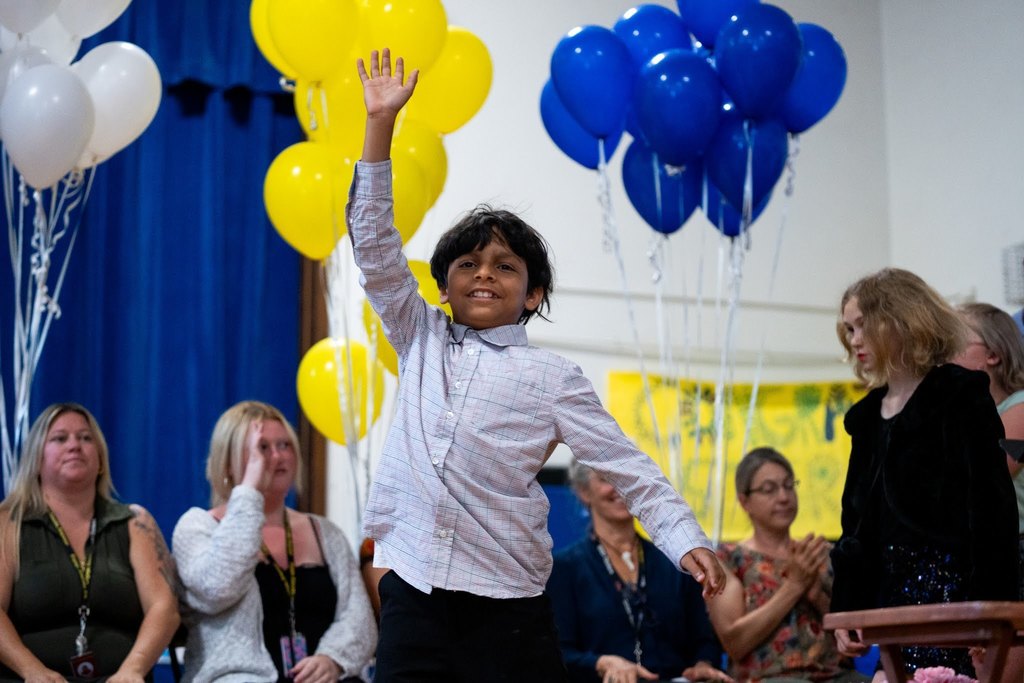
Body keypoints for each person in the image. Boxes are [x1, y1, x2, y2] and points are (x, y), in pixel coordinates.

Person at [350, 49, 725, 683]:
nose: (484, 275)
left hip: (512, 608)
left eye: (504, 266)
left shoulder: (552, 378)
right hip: (413, 594)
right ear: (442, 286)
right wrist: (380, 123)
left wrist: (683, 536)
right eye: (467, 264)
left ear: (534, 296)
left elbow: (625, 465)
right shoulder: (418, 336)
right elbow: (376, 246)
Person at [830, 268, 1018, 676]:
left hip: (958, 598)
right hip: (894, 603)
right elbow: (856, 527)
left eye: (863, 325)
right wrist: (845, 605)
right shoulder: (864, 418)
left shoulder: (960, 394)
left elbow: (992, 511)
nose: (856, 340)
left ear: (902, 319)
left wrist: (990, 611)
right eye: (849, 329)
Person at [172, 401, 375, 683]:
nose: (277, 456)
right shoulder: (196, 527)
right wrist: (249, 491)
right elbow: (218, 587)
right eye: (261, 448)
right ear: (228, 461)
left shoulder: (325, 532)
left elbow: (359, 618)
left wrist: (332, 659)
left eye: (285, 445)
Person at [0, 402, 179, 682]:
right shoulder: (7, 522)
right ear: (36, 458)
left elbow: (164, 608)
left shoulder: (134, 522)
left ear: (100, 458)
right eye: (60, 438)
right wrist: (31, 671)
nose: (75, 445)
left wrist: (133, 669)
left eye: (85, 438)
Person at [548, 459, 731, 683]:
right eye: (606, 478)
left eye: (626, 478)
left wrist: (704, 665)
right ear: (584, 492)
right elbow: (558, 653)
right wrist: (602, 663)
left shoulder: (673, 562)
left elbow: (705, 640)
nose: (620, 486)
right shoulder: (565, 568)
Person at [708, 447, 864, 683]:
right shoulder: (727, 559)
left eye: (789, 486)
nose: (783, 497)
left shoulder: (817, 553)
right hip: (770, 678)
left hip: (836, 674)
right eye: (769, 489)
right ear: (744, 501)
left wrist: (816, 594)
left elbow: (854, 637)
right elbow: (735, 643)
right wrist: (793, 586)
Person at [955, 302, 1024, 683]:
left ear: (993, 354)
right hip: (986, 558)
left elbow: (986, 478)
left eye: (955, 342)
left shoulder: (1021, 408)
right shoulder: (970, 414)